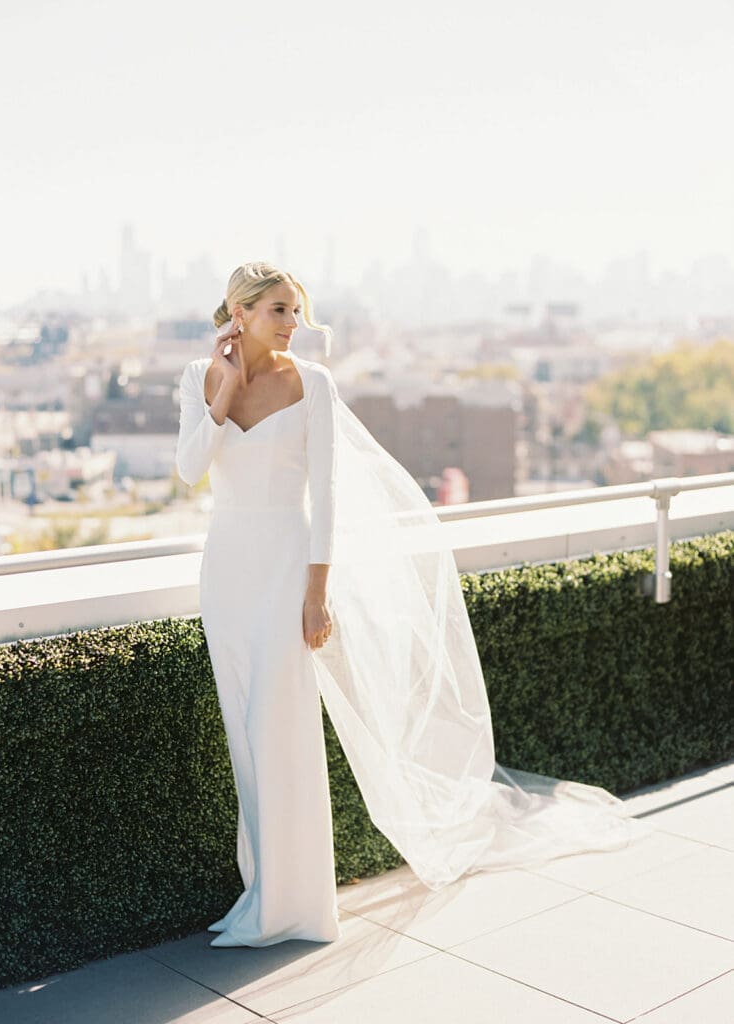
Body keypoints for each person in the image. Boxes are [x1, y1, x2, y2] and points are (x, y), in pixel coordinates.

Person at [175, 260, 653, 949]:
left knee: (282, 731)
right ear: (240, 313)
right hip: (226, 573)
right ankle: (262, 892)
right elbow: (191, 468)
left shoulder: (314, 383)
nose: (293, 324)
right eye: (279, 310)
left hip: (285, 568)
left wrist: (316, 594)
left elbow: (326, 496)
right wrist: (224, 388)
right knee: (244, 736)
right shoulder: (199, 377)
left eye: (296, 310)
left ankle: (296, 906)